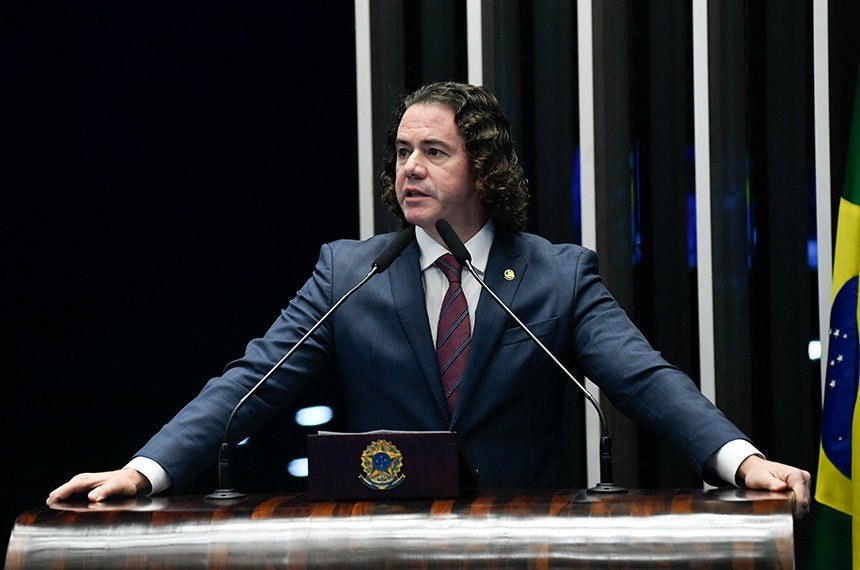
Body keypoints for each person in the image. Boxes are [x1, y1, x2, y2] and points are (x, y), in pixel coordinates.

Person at [49, 82, 811, 515]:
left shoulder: (556, 275)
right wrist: (144, 470)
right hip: (387, 544)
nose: (409, 167)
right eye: (402, 151)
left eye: (433, 152)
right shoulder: (348, 273)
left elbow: (645, 380)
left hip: (525, 544)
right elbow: (252, 381)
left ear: (484, 168)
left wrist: (741, 461)